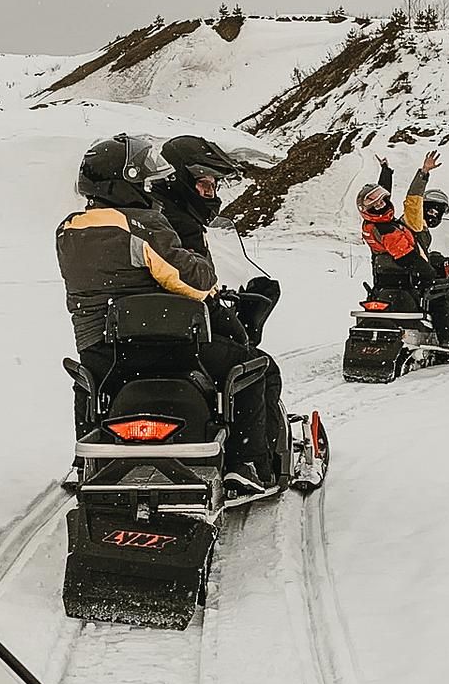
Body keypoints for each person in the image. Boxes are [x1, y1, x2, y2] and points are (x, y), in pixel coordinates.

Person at [57, 134, 287, 492]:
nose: (150, 184)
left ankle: (82, 463)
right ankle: (247, 464)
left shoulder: (68, 231)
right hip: (160, 348)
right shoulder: (140, 225)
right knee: (251, 369)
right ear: (124, 181)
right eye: (143, 177)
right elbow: (195, 281)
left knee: (86, 381)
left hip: (101, 354)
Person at [152, 135, 282, 346]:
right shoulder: (178, 224)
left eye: (213, 186)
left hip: (158, 327)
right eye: (205, 184)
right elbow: (192, 284)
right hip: (179, 333)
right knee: (259, 368)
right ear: (181, 179)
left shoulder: (156, 213)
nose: (210, 195)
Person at [357, 149, 449, 353]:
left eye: (438, 211)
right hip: (407, 280)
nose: (433, 214)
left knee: (440, 283)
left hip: (386, 282)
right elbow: (412, 202)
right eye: (431, 208)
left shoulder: (380, 223)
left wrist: (386, 173)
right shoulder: (404, 225)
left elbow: (381, 200)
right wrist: (423, 173)